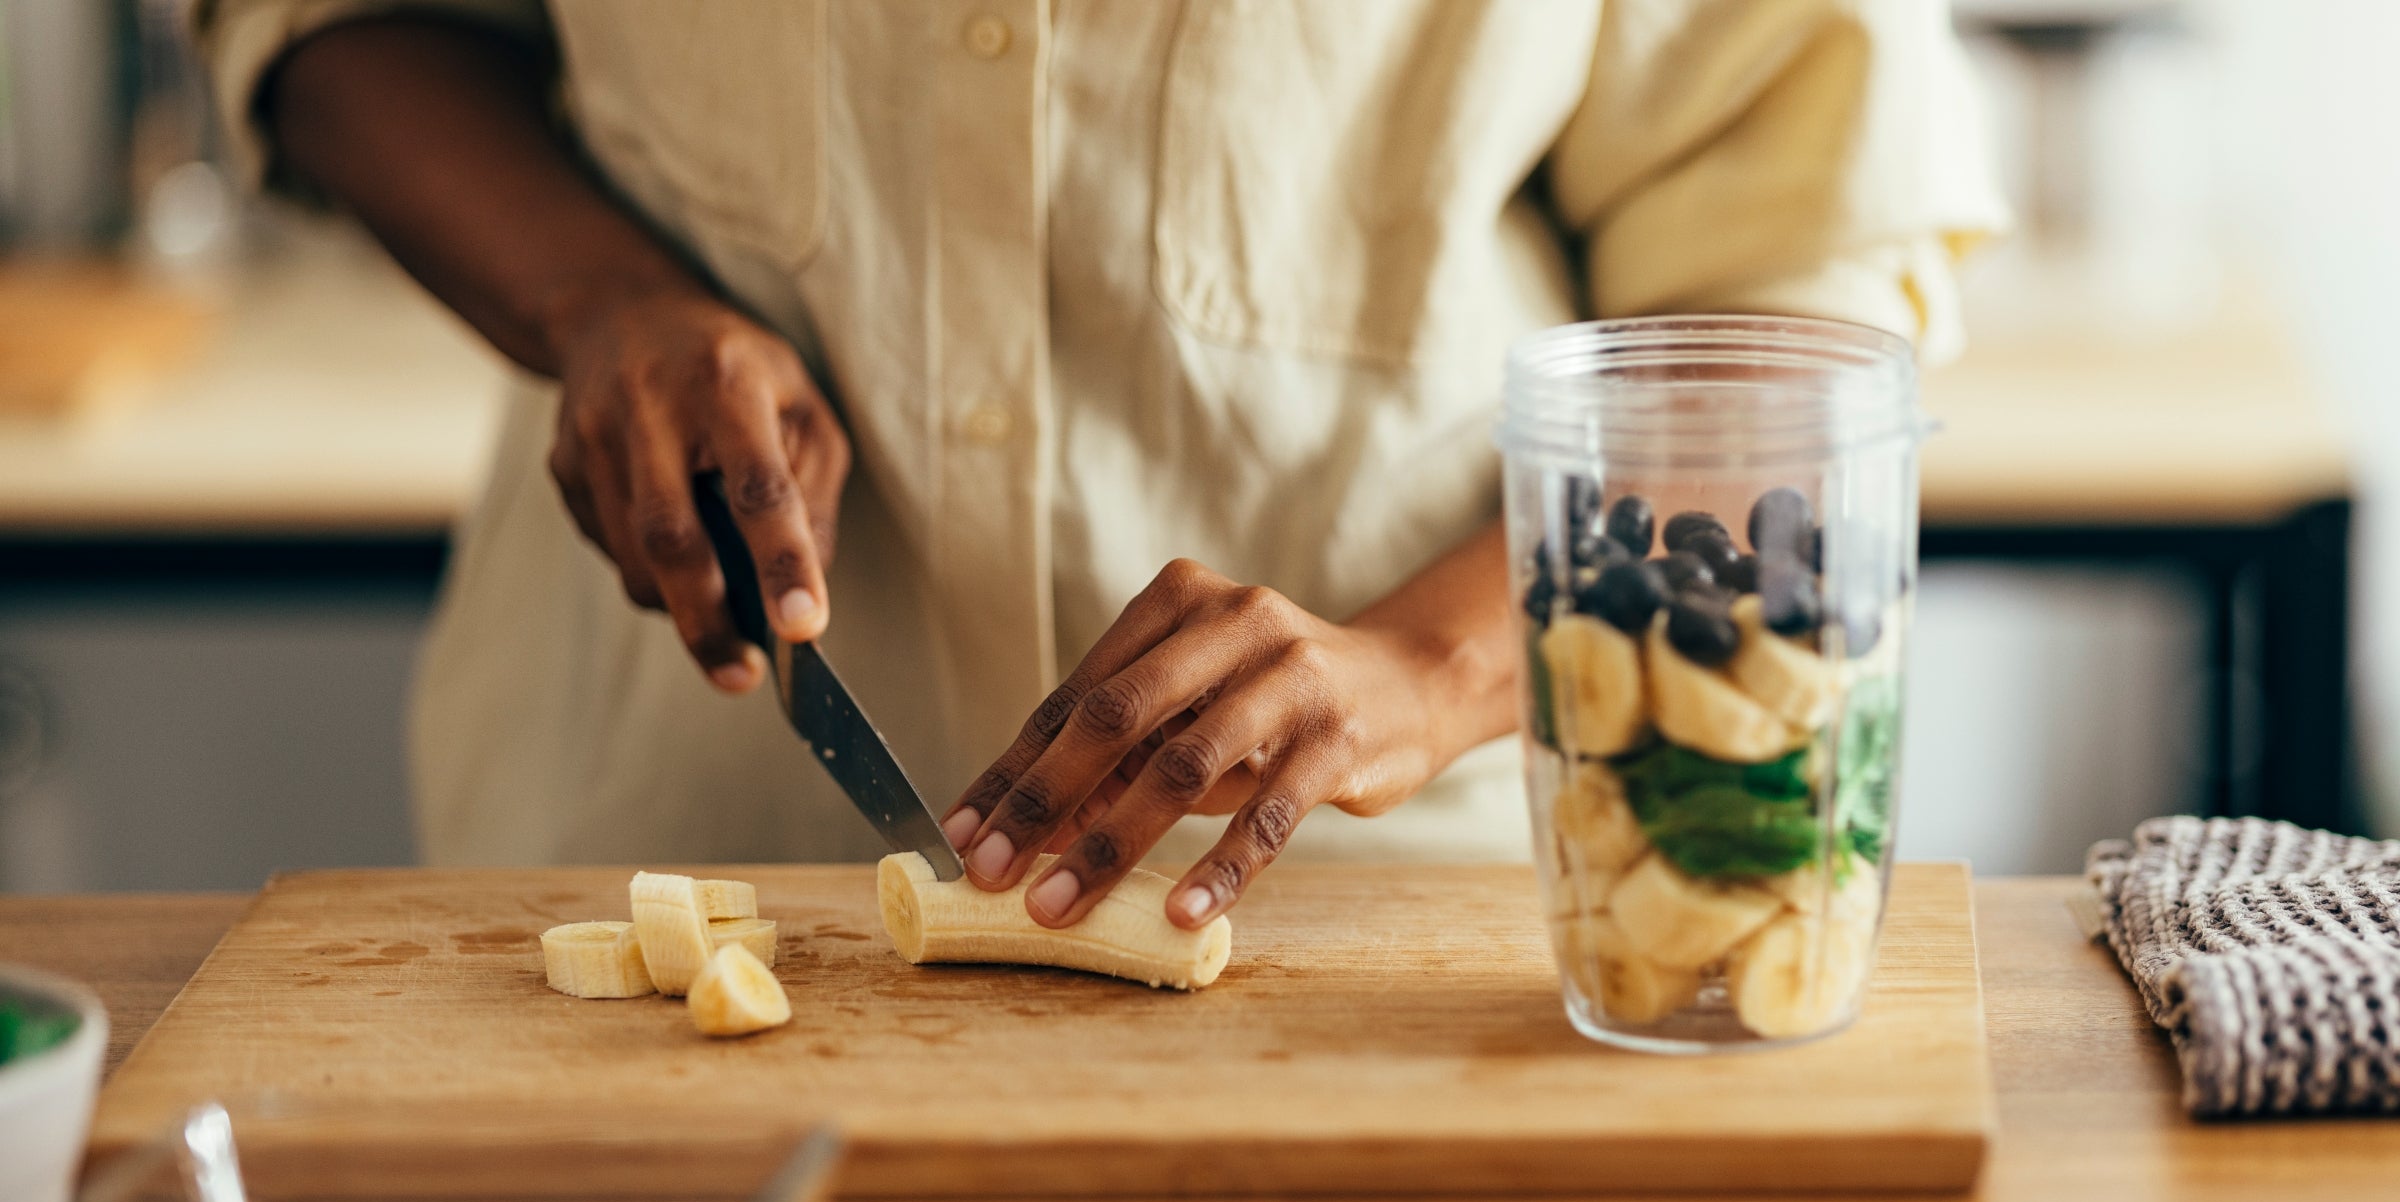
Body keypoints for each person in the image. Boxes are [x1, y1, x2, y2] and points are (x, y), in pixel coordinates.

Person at [197, 1, 2004, 931]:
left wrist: (1430, 664)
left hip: (1382, 929)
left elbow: (1800, 306)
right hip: (671, 854)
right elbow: (339, 21)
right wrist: (600, 299)